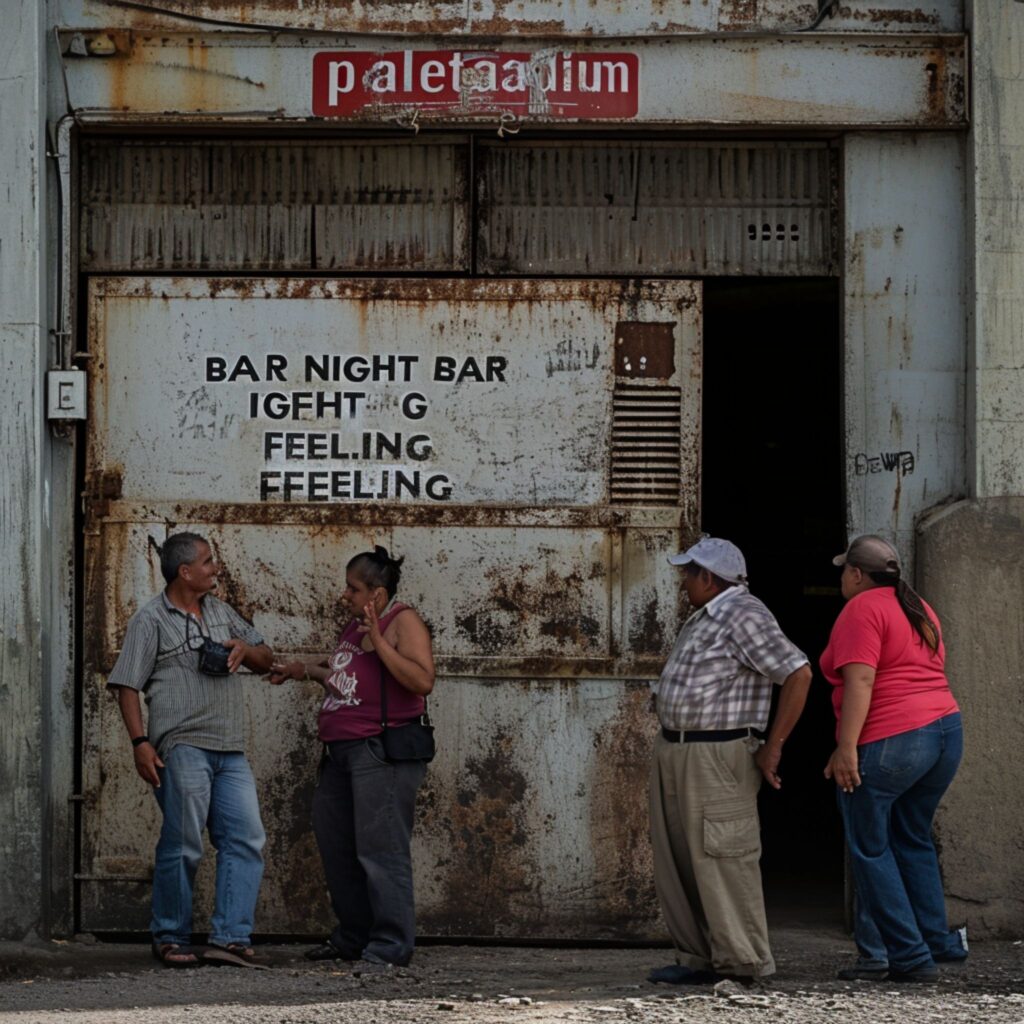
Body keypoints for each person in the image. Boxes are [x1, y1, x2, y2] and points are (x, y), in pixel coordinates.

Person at [647, 536, 813, 985]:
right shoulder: (705, 617)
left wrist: (773, 745)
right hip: (678, 748)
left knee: (723, 856)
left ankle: (742, 963)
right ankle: (701, 959)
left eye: (689, 572)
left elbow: (798, 672)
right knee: (681, 857)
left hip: (717, 754)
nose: (683, 580)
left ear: (708, 576)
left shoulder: (743, 613)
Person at [107, 532, 274, 968]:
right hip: (181, 746)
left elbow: (266, 656)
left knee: (246, 838)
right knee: (183, 842)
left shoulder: (220, 611)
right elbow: (126, 685)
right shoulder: (150, 619)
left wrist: (245, 649)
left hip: (230, 748)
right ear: (184, 572)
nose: (214, 567)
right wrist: (140, 744)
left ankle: (231, 937)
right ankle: (170, 935)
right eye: (207, 561)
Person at [269, 545, 435, 969]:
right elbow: (344, 679)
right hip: (341, 753)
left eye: (353, 587)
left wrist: (378, 639)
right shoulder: (352, 628)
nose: (345, 595)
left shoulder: (403, 622)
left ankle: (390, 945)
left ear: (376, 595)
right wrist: (303, 670)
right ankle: (353, 938)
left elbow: (421, 681)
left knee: (382, 851)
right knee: (338, 846)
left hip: (380, 752)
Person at [822, 534, 965, 983]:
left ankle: (907, 956)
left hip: (895, 739)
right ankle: (930, 942)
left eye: (845, 570)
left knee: (870, 847)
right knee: (912, 837)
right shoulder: (918, 606)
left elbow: (861, 680)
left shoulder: (861, 609)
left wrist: (847, 749)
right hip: (944, 733)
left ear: (857, 574)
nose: (843, 577)